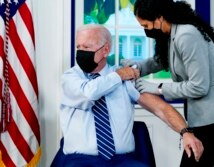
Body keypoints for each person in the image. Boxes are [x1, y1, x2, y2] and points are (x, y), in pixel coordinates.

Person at [52, 24, 204, 167]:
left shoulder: (125, 79)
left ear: (105, 50)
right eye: (78, 47)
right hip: (80, 160)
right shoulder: (70, 78)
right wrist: (118, 76)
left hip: (121, 160)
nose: (81, 52)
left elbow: (160, 109)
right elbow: (90, 93)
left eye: (86, 47)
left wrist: (185, 132)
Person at [121, 0, 214, 166]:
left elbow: (199, 86)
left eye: (146, 25)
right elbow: (162, 60)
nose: (145, 30)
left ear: (159, 18)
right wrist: (137, 68)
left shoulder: (187, 35)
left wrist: (157, 88)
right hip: (206, 115)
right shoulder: (172, 33)